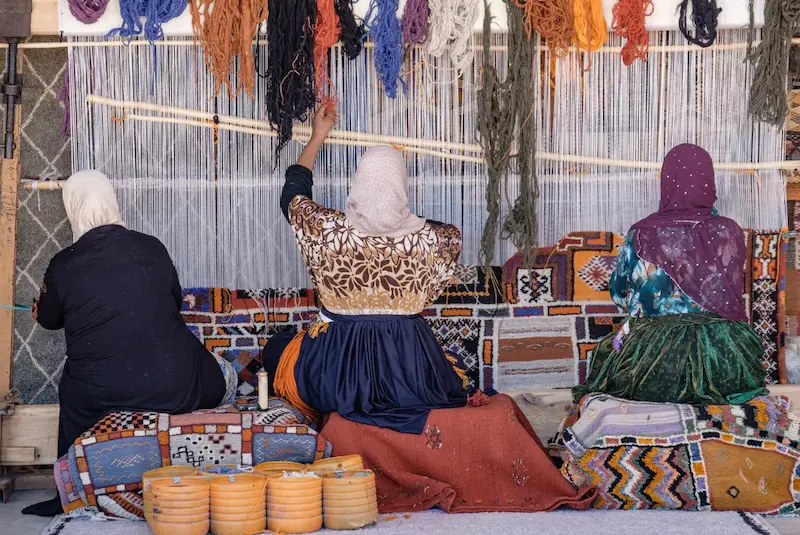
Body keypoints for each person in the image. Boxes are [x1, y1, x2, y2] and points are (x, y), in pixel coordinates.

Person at [23, 171, 238, 517]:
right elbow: (175, 300)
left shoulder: (62, 265)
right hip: (177, 388)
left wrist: (42, 308)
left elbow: (49, 319)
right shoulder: (151, 247)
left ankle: (69, 492)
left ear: (72, 208)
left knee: (72, 387)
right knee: (227, 376)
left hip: (100, 401)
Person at [270, 104, 469, 433]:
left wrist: (318, 136)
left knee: (278, 349)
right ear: (401, 184)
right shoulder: (441, 238)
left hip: (334, 378)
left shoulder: (324, 229)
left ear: (359, 180)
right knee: (453, 368)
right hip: (409, 377)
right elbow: (432, 288)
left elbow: (292, 194)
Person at [572, 144, 768, 405]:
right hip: (722, 361)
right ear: (708, 182)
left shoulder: (640, 234)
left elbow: (619, 295)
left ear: (667, 182)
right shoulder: (729, 232)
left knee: (610, 360)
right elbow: (730, 294)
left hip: (651, 362)